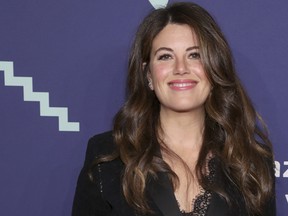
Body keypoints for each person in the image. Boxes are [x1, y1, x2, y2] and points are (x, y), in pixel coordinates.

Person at [72, 2, 275, 216]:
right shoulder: (109, 156)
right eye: (165, 56)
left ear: (214, 67)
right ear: (148, 74)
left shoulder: (251, 161)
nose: (181, 68)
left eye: (194, 55)